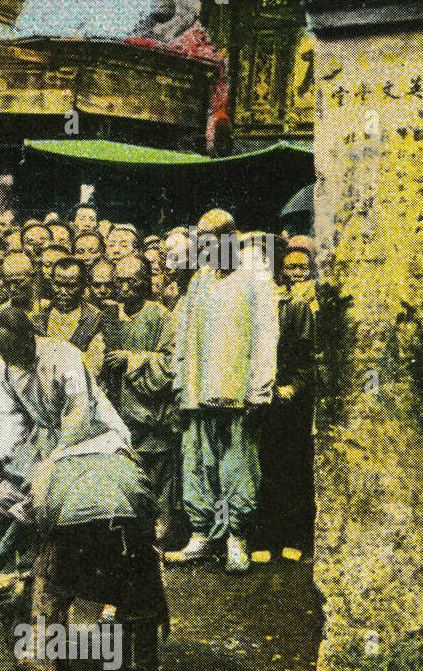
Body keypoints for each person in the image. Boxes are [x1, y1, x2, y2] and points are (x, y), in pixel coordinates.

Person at [0, 307, 168, 671]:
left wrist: (50, 472)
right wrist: (4, 458)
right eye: (2, 354)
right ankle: (18, 577)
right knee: (2, 503)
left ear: (29, 336)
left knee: (53, 558)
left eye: (14, 350)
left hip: (93, 438)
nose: (9, 359)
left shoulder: (64, 355)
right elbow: (13, 417)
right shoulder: (5, 369)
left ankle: (48, 646)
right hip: (48, 442)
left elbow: (79, 414)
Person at [166, 210, 278, 574]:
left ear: (232, 237)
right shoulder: (200, 279)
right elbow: (185, 333)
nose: (206, 249)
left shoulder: (255, 274)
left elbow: (266, 335)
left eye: (212, 241)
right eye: (201, 243)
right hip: (200, 389)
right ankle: (201, 532)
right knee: (198, 461)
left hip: (236, 391)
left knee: (236, 467)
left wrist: (258, 387)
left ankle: (235, 536)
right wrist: (182, 382)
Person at [101, 255, 180, 541]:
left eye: (131, 281)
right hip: (120, 408)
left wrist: (132, 360)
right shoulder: (111, 315)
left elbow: (172, 362)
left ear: (145, 281)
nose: (124, 288)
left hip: (151, 409)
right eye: (118, 281)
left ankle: (160, 522)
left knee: (157, 470)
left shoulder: (160, 316)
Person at [254, 242, 317, 561]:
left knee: (291, 468)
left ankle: (293, 537)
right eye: (288, 268)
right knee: (262, 469)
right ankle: (264, 538)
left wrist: (292, 387)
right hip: (260, 399)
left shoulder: (297, 308)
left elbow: (307, 359)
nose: (294, 274)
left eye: (301, 268)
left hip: (288, 399)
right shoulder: (256, 309)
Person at [37, 255, 106, 380]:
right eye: (58, 285)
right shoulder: (40, 317)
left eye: (71, 286)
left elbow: (94, 366)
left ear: (83, 286)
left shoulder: (95, 318)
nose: (63, 291)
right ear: (51, 282)